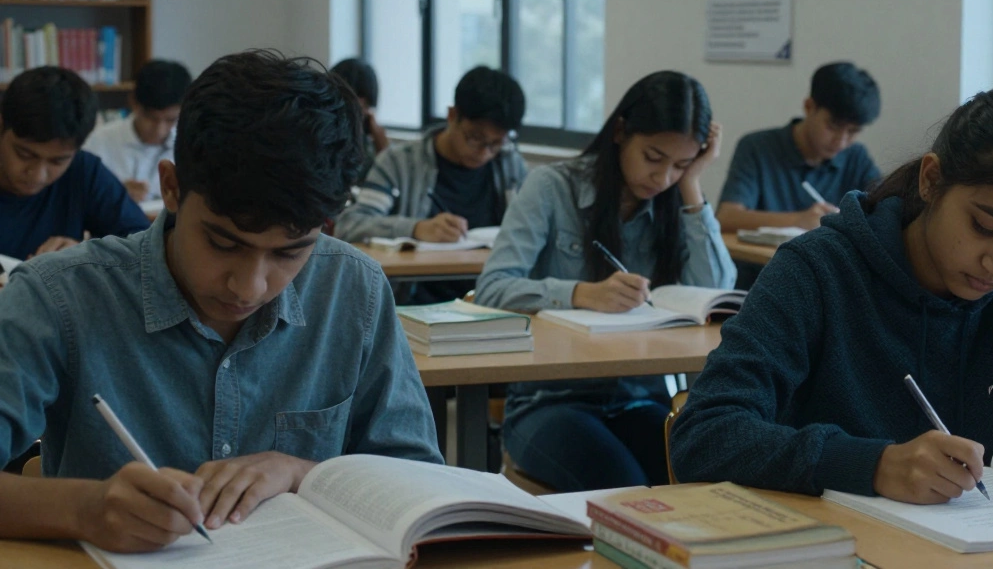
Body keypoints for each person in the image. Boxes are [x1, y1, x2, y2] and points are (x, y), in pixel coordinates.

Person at [0, 50, 441, 553]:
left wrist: (302, 473)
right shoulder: (59, 297)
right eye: (223, 243)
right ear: (171, 187)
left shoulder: (352, 288)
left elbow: (421, 486)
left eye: (290, 252)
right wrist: (84, 510)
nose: (248, 287)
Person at [670, 87, 993, 503]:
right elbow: (704, 436)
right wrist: (872, 465)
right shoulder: (818, 270)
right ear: (931, 180)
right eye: (985, 227)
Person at [475, 70, 735, 491]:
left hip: (640, 398)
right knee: (627, 490)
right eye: (653, 157)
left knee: (700, 483)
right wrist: (579, 293)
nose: (663, 177)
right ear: (620, 132)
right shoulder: (551, 187)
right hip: (549, 403)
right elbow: (490, 288)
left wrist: (693, 185)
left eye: (681, 165)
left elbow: (715, 294)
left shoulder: (674, 201)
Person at [335, 65, 528, 302]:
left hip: (490, 301)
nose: (484, 152)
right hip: (414, 302)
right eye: (475, 138)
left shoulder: (510, 166)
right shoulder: (400, 163)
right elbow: (351, 224)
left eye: (496, 143)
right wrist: (416, 229)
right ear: (452, 115)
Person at [0, 66, 150, 259]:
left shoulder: (83, 171)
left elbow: (143, 245)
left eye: (57, 161)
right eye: (25, 154)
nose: (38, 175)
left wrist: (86, 255)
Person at [716, 61, 882, 234]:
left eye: (853, 131)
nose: (841, 142)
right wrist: (798, 220)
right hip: (763, 261)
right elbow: (727, 218)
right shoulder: (757, 147)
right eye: (833, 126)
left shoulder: (856, 156)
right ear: (809, 107)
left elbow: (887, 211)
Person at [84, 59, 191, 203]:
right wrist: (112, 194)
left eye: (170, 120)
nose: (159, 130)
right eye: (151, 118)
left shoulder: (190, 145)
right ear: (133, 102)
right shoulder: (97, 143)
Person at [330, 57, 390, 180]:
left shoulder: (366, 141)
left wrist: (383, 150)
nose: (365, 110)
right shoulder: (324, 135)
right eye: (360, 99)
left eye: (368, 104)